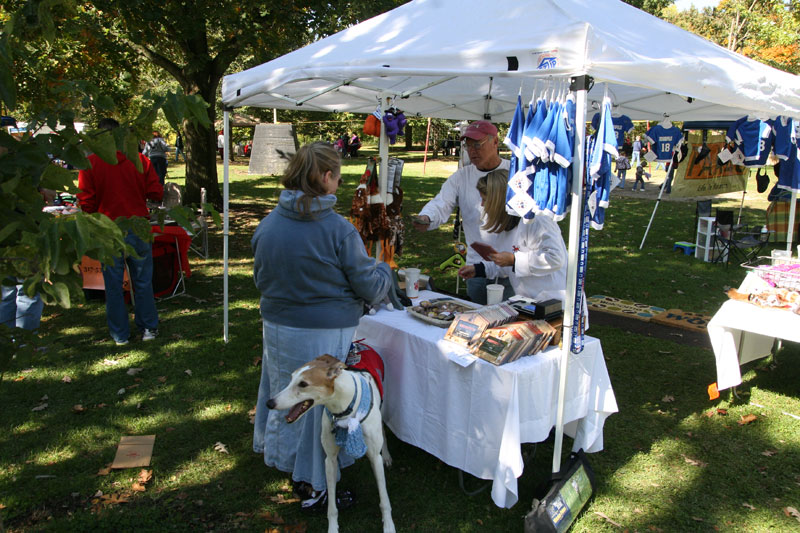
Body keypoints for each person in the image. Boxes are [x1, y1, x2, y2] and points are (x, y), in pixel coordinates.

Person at [251, 142, 393, 511]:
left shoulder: (269, 224)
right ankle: (315, 486)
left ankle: (292, 465)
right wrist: (384, 270)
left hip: (278, 326)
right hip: (321, 331)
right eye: (339, 177)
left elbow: (261, 278)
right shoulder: (338, 230)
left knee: (290, 393)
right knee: (317, 405)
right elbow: (369, 286)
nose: (339, 184)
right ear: (327, 177)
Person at [78, 118, 164, 345]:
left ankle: (120, 334)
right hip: (137, 225)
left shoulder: (91, 164)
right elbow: (156, 193)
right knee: (142, 281)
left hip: (108, 228)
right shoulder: (140, 161)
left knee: (113, 285)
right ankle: (148, 328)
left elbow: (86, 203)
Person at [412, 120, 512, 303]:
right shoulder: (462, 176)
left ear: (495, 142)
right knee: (477, 319)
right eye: (468, 146)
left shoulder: (514, 172)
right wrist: (427, 217)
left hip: (512, 268)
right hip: (477, 267)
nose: (472, 151)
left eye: (477, 145)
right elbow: (442, 202)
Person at [457, 169, 567, 306]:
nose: (482, 205)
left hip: (556, 303)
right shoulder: (506, 225)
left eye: (485, 200)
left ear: (497, 201)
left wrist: (514, 260)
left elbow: (555, 258)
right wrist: (479, 269)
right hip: (529, 302)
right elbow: (506, 264)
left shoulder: (537, 219)